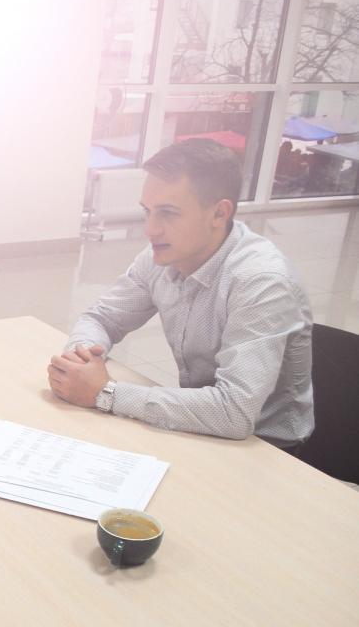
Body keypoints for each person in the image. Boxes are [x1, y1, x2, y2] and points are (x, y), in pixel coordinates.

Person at [48, 138, 313, 450]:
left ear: (219, 213)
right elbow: (102, 318)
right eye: (148, 212)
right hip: (198, 424)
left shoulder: (261, 282)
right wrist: (81, 363)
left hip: (267, 447)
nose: (151, 229)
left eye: (168, 214)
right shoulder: (161, 256)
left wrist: (105, 392)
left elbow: (235, 412)